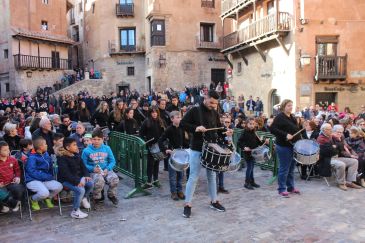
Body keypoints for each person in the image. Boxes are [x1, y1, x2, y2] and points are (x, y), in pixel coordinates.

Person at [180, 90, 233, 218]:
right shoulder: (194, 110)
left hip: (212, 148)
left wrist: (225, 132)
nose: (213, 105)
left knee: (212, 176)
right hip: (197, 148)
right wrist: (195, 128)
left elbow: (219, 130)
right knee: (193, 177)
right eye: (211, 102)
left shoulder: (215, 112)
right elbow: (182, 124)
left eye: (215, 103)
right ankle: (187, 204)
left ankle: (214, 201)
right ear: (206, 97)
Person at [270, 99, 301, 198]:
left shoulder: (292, 117)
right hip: (283, 146)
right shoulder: (280, 117)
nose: (291, 107)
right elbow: (272, 129)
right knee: (284, 169)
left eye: (291, 105)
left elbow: (295, 129)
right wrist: (285, 135)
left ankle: (290, 187)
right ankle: (281, 189)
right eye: (289, 105)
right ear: (284, 107)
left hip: (293, 146)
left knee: (291, 168)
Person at [317, 123, 361, 191]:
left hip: (336, 157)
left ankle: (349, 182)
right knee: (341, 164)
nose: (331, 131)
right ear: (324, 130)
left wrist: (335, 146)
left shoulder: (331, 136)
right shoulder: (321, 138)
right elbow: (328, 151)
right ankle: (341, 183)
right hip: (327, 159)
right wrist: (335, 147)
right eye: (329, 129)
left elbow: (341, 146)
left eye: (331, 129)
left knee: (354, 161)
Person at [57, 137, 93, 219]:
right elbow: (65, 174)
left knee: (90, 183)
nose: (77, 146)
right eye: (74, 145)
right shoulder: (62, 158)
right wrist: (77, 182)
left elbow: (83, 167)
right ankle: (75, 211)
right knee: (80, 190)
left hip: (78, 178)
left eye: (76, 144)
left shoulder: (76, 155)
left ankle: (83, 198)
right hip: (65, 180)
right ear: (68, 147)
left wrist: (86, 175)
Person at [82, 129, 119, 205]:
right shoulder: (86, 151)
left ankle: (111, 195)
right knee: (99, 181)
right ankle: (97, 197)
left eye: (99, 139)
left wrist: (107, 168)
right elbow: (83, 164)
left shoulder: (107, 148)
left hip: (106, 170)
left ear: (102, 139)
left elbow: (112, 161)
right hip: (94, 172)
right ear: (91, 140)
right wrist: (92, 169)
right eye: (94, 139)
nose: (96, 141)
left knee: (114, 179)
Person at [25, 138, 63, 210]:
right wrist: (47, 176)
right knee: (44, 193)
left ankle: (47, 198)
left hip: (44, 179)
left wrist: (55, 167)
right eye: (45, 144)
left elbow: (50, 167)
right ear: (40, 147)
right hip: (33, 180)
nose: (47, 145)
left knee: (59, 186)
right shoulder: (32, 157)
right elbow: (32, 171)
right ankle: (33, 199)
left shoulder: (46, 154)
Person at [158, 111, 188, 200]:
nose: (179, 119)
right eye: (177, 117)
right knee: (172, 175)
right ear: (172, 119)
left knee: (180, 174)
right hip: (173, 155)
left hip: (181, 154)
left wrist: (188, 148)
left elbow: (184, 141)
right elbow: (160, 140)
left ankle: (180, 191)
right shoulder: (169, 129)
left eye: (180, 117)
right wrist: (165, 149)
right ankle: (173, 192)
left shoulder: (182, 128)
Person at [139, 107, 166, 189]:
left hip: (158, 145)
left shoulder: (161, 121)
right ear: (150, 113)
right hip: (150, 146)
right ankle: (149, 182)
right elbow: (141, 133)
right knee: (150, 164)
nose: (154, 114)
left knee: (157, 163)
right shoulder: (146, 121)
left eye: (156, 112)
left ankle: (156, 180)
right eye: (153, 112)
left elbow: (164, 132)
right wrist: (145, 141)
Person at [237, 117, 262, 190]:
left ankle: (252, 182)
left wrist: (264, 141)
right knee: (249, 168)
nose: (251, 125)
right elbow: (239, 142)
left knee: (252, 167)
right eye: (250, 124)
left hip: (254, 152)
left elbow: (258, 142)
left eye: (253, 124)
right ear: (247, 124)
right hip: (247, 153)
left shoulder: (254, 131)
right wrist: (244, 147)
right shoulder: (244, 132)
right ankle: (246, 183)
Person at [0, 141, 24, 213]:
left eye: (8, 149)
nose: (8, 151)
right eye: (5, 150)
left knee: (19, 189)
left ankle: (13, 203)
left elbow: (17, 170)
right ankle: (3, 207)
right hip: (1, 185)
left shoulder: (12, 160)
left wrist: (17, 177)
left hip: (11, 182)